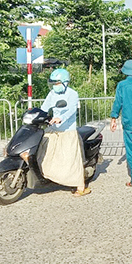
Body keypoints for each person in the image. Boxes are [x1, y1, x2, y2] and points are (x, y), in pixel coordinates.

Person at [38, 68, 89, 197]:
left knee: (72, 159)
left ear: (65, 82)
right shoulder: (52, 94)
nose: (55, 86)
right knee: (43, 150)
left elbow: (71, 110)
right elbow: (44, 107)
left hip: (68, 130)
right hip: (54, 129)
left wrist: (61, 118)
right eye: (53, 83)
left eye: (57, 83)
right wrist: (37, 115)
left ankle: (81, 187)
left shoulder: (73, 94)